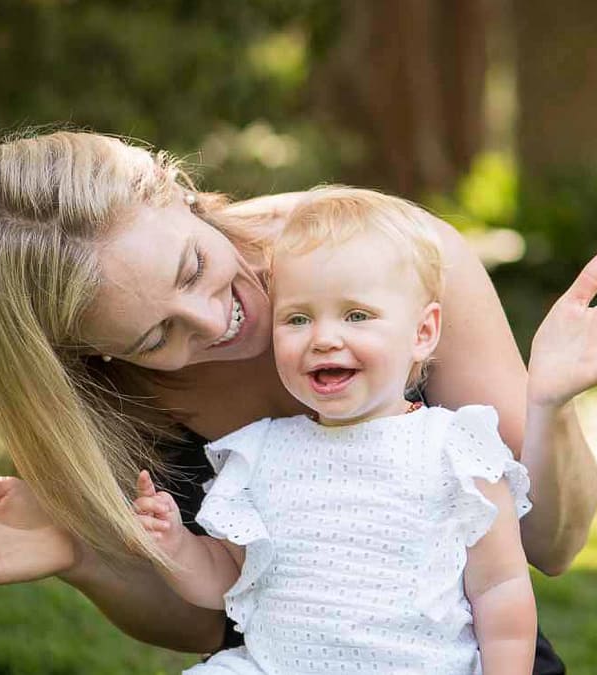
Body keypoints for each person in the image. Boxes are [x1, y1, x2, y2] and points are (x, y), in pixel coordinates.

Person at [0, 130, 597, 673]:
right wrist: (87, 555)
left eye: (193, 266)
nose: (216, 320)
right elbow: (209, 618)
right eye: (156, 338)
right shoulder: (90, 392)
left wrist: (549, 405)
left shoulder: (383, 257)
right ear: (93, 354)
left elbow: (551, 544)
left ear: (178, 192)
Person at [133, 187, 537, 674]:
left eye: (357, 316)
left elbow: (499, 587)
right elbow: (227, 581)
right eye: (298, 318)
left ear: (422, 333)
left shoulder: (454, 449)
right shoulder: (259, 453)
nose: (324, 339)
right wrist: (177, 544)